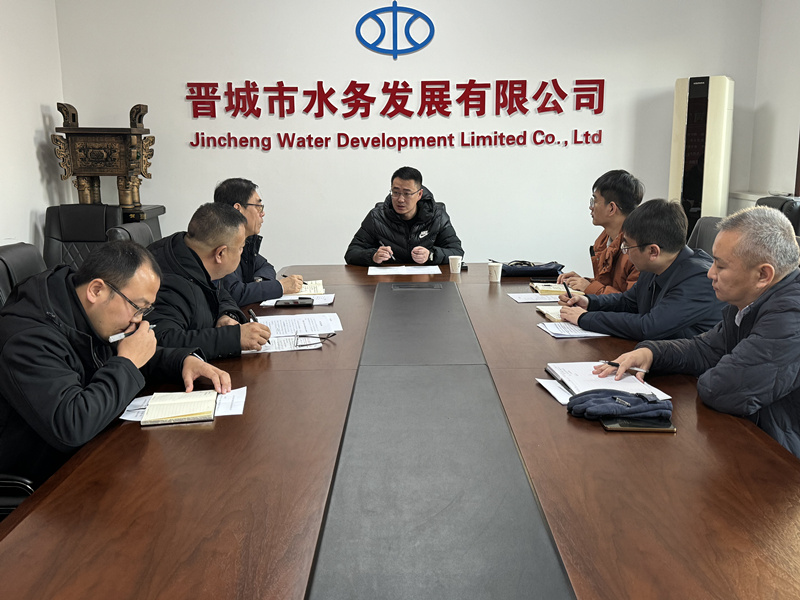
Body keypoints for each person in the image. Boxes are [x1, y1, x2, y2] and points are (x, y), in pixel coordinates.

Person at [0, 241, 231, 486]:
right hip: (46, 483)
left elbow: (120, 354)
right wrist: (128, 362)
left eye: (146, 310)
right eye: (137, 308)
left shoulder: (82, 306)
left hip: (94, 452)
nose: (139, 321)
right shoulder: (27, 339)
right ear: (96, 290)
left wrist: (181, 361)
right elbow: (71, 425)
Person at [596, 206, 800, 459]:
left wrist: (721, 366)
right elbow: (705, 349)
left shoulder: (792, 315)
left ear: (763, 275)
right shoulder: (747, 304)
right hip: (751, 440)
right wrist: (651, 352)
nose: (710, 273)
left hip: (781, 460)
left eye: (720, 266)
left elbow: (722, 389)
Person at [559, 199, 724, 340]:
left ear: (653, 251)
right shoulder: (653, 267)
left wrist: (585, 318)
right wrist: (589, 302)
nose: (625, 252)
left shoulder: (700, 279)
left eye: (628, 246)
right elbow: (628, 302)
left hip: (689, 366)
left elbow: (649, 327)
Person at [147, 202, 272, 360]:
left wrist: (226, 315)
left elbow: (220, 292)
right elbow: (163, 340)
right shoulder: (168, 282)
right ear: (220, 254)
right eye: (241, 247)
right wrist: (233, 338)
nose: (242, 252)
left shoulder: (192, 253)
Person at [345, 166, 464, 266]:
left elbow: (456, 251)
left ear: (419, 194)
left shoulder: (437, 216)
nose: (400, 199)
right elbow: (351, 253)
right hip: (387, 282)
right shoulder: (376, 217)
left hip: (426, 282)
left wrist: (431, 255)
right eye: (395, 192)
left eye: (407, 194)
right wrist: (373, 256)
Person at [213, 177, 304, 305]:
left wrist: (258, 283)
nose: (263, 213)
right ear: (238, 209)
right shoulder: (220, 244)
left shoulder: (244, 242)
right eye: (258, 207)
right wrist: (280, 287)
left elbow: (265, 266)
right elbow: (234, 293)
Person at [558, 170, 645, 294]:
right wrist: (584, 282)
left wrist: (589, 287)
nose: (591, 207)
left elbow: (631, 301)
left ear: (611, 208)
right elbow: (608, 286)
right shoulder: (604, 241)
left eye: (594, 201)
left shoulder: (637, 248)